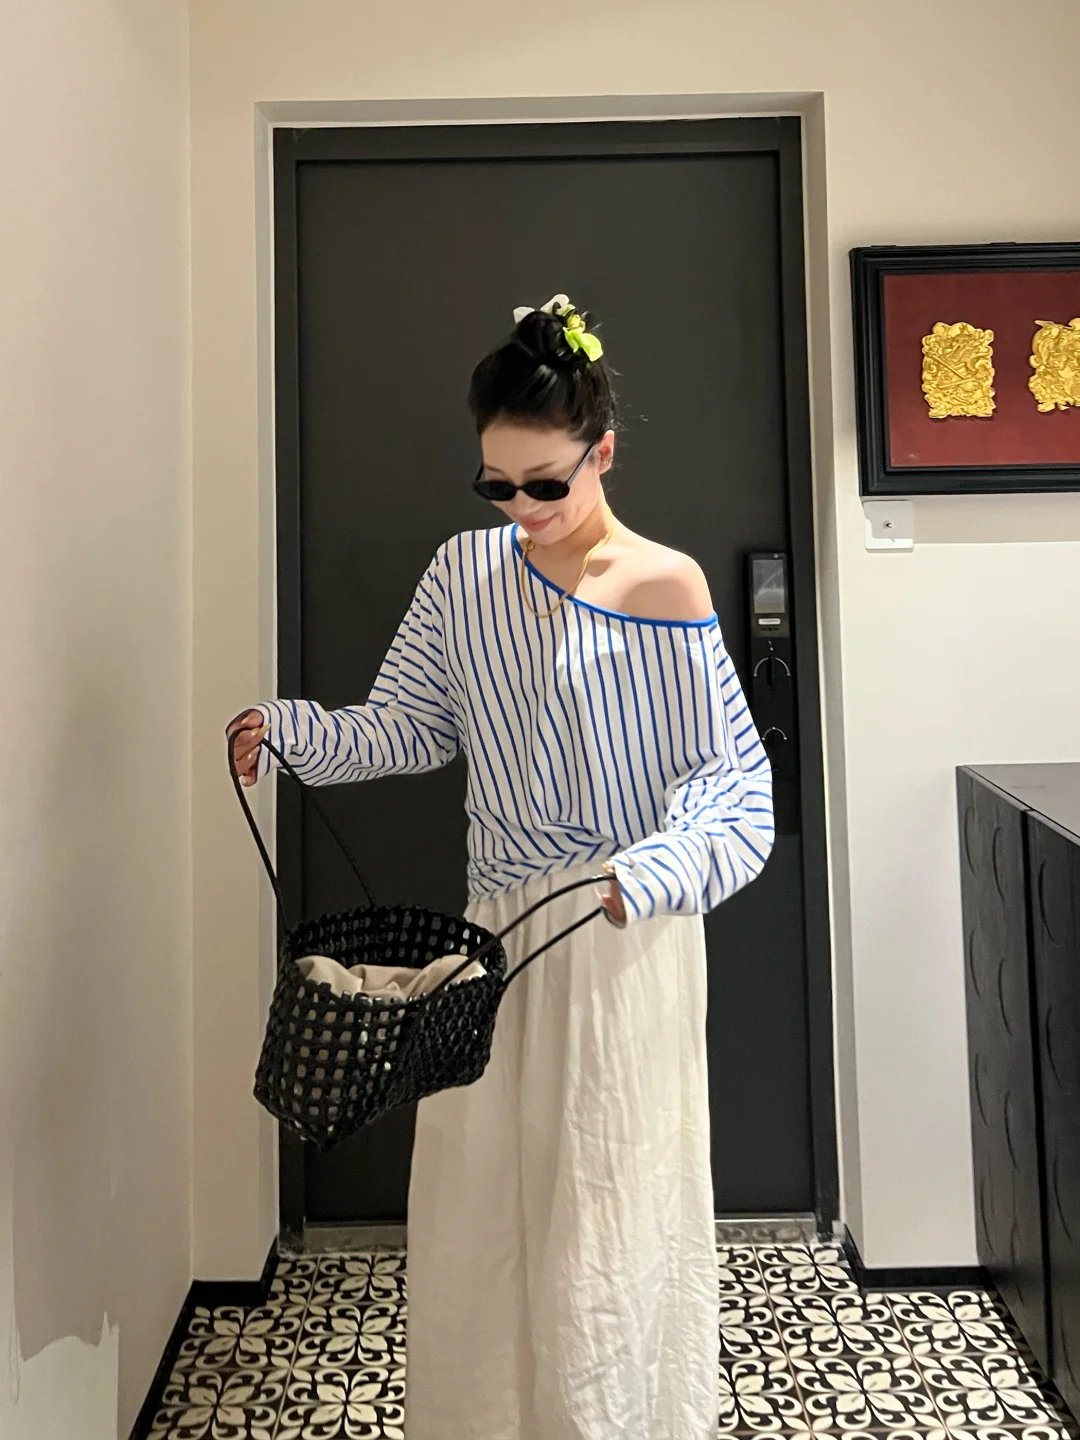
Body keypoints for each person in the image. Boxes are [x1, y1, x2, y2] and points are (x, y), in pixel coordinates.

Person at [228, 293, 775, 1440]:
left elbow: (736, 793)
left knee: (605, 1223)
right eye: (497, 486)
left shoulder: (665, 588)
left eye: (545, 484)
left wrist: (654, 870)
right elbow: (406, 725)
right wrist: (291, 734)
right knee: (477, 1221)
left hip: (620, 942)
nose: (521, 509)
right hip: (489, 943)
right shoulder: (464, 574)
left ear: (602, 454)